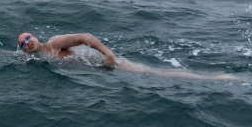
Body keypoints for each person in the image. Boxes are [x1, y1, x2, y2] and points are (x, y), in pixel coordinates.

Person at [17, 32, 238, 80]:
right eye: (23, 44)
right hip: (99, 70)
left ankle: (215, 78)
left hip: (105, 62)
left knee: (153, 72)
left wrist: (108, 54)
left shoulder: (54, 44)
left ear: (35, 36)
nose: (27, 42)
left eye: (28, 37)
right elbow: (14, 55)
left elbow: (85, 37)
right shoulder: (38, 58)